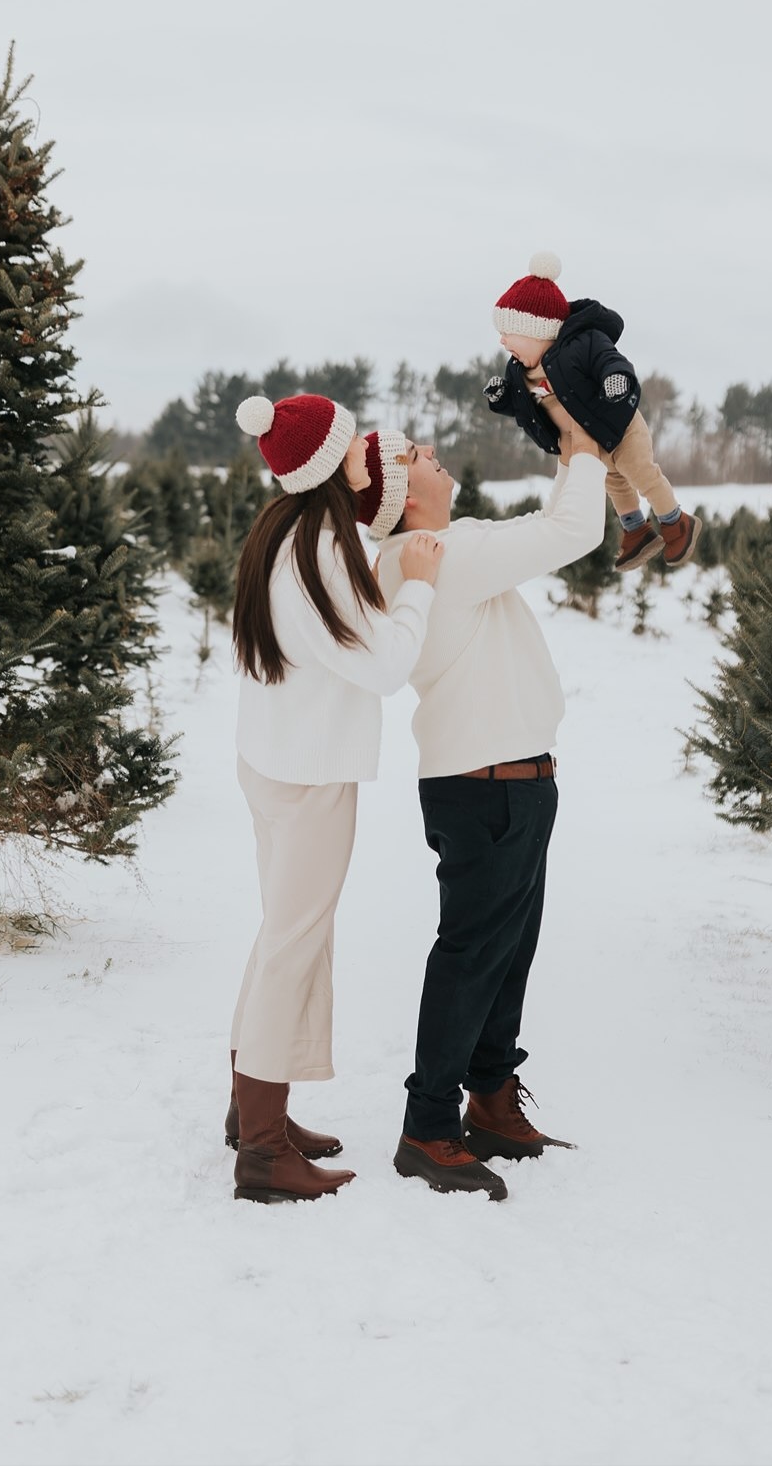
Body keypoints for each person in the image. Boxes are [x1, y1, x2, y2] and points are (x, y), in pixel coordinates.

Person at [371, 418, 610, 1200]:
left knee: (504, 953)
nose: (432, 454)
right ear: (404, 496)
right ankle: (427, 1127)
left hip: (506, 782)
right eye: (416, 457)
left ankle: (491, 1103)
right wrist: (584, 446)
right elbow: (572, 530)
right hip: (488, 785)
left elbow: (541, 526)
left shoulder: (442, 548)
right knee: (474, 956)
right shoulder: (438, 555)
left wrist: (568, 456)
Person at [227, 391, 444, 1204]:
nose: (365, 452)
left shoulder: (283, 532)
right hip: (308, 774)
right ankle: (261, 1152)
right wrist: (417, 586)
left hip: (274, 762)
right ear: (325, 463)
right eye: (352, 443)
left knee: (282, 937)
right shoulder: (320, 551)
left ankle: (253, 1111)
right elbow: (383, 667)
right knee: (293, 944)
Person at [485, 252, 701, 571]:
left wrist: (615, 379)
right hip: (590, 443)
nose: (502, 341)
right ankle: (636, 531)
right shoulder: (518, 371)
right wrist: (502, 397)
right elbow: (523, 407)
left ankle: (676, 521)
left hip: (619, 427)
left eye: (507, 332)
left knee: (640, 473)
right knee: (614, 484)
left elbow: (609, 361)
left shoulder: (582, 343)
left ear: (536, 329)